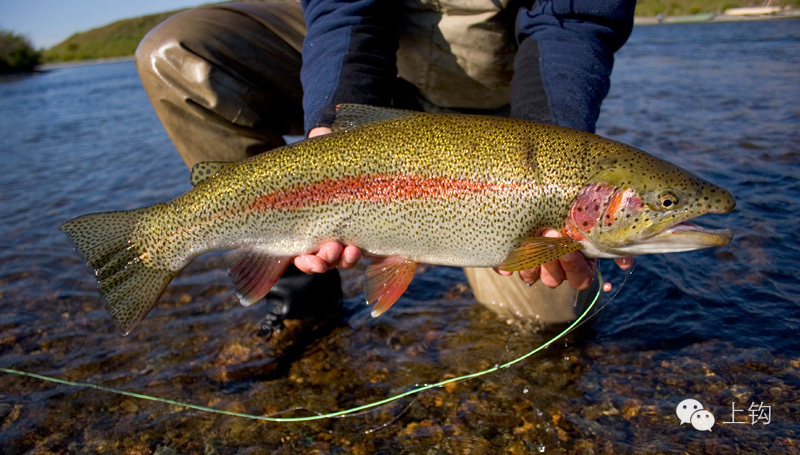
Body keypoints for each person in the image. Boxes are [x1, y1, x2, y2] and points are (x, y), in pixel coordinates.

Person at [135, 0, 635, 371]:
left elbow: (571, 19)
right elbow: (345, 7)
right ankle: (294, 281)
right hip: (369, 66)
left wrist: (550, 142)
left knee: (550, 324)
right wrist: (336, 117)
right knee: (176, 52)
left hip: (505, 111)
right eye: (667, 205)